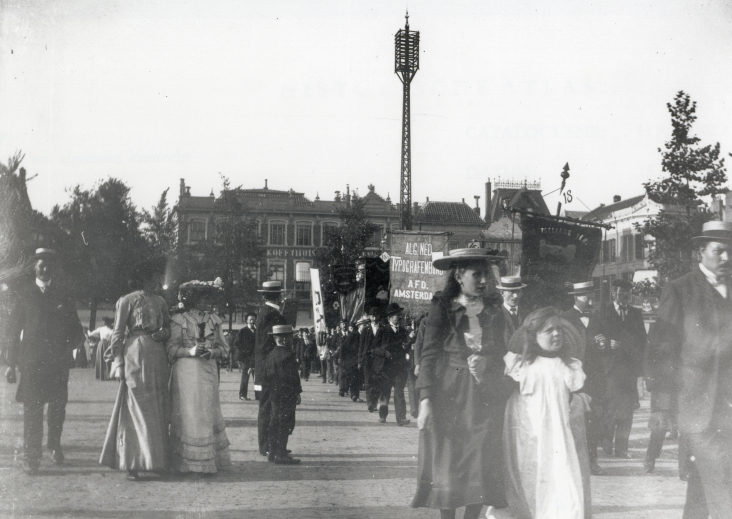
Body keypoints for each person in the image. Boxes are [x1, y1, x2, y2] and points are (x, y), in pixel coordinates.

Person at [411, 248, 509, 519]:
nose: (483, 281)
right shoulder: (442, 307)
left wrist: (488, 362)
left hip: (483, 394)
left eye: (486, 275)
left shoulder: (494, 309)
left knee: (480, 459)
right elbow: (429, 353)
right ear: (458, 275)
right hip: (449, 396)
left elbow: (502, 351)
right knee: (449, 461)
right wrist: (426, 400)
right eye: (476, 275)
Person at [645, 221, 732, 518]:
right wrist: (661, 406)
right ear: (700, 252)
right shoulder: (680, 290)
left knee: (702, 486)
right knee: (723, 482)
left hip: (729, 407)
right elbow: (662, 350)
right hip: (698, 405)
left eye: (730, 252)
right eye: (719, 251)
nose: (726, 259)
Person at [5, 248, 84, 475]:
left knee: (57, 409)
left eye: (49, 264)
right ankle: (32, 457)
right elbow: (12, 331)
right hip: (31, 364)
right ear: (34, 267)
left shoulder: (63, 295)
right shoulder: (24, 294)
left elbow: (77, 329)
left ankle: (54, 445)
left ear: (53, 267)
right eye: (41, 264)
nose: (45, 268)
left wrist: (69, 347)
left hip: (57, 365)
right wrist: (11, 364)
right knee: (32, 411)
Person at [503, 307, 587, 519]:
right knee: (530, 482)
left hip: (559, 437)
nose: (557, 334)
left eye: (558, 329)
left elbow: (576, 400)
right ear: (534, 336)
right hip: (528, 437)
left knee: (563, 484)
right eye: (549, 330)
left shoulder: (569, 366)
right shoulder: (520, 366)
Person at [100, 257, 171, 481]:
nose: (158, 281)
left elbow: (168, 326)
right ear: (144, 277)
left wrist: (164, 333)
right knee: (134, 409)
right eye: (154, 277)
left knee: (156, 408)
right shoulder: (127, 301)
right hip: (134, 356)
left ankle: (155, 461)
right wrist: (118, 363)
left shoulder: (161, 301)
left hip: (157, 357)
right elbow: (118, 334)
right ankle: (131, 462)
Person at [166, 279, 231, 475]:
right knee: (189, 414)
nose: (208, 302)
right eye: (204, 298)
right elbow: (171, 349)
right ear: (195, 300)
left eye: (209, 298)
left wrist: (212, 353)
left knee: (206, 413)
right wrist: (191, 351)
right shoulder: (179, 320)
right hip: (186, 374)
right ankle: (185, 462)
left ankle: (206, 461)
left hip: (207, 373)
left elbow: (224, 350)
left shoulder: (214, 320)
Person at [562, 281, 608, 476]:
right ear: (575, 298)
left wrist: (602, 344)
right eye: (585, 296)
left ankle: (592, 460)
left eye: (591, 295)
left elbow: (603, 343)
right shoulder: (566, 318)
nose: (589, 299)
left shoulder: (597, 317)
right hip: (574, 377)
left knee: (594, 418)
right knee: (574, 418)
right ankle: (573, 462)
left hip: (595, 376)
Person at [598, 279, 646, 459]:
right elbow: (595, 333)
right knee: (611, 408)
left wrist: (640, 366)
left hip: (629, 369)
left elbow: (642, 339)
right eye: (620, 294)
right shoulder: (604, 311)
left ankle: (622, 448)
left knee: (627, 410)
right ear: (613, 294)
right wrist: (607, 344)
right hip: (610, 369)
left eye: (627, 294)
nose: (624, 297)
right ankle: (606, 439)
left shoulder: (636, 313)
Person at [254, 280, 286, 457]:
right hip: (269, 369)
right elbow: (267, 345)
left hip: (265, 368)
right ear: (278, 296)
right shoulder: (270, 314)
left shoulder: (267, 312)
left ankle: (270, 443)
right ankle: (266, 444)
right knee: (267, 407)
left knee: (268, 407)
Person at [262, 325, 302, 465]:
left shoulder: (270, 355)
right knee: (285, 423)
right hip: (287, 394)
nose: (292, 340)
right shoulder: (288, 355)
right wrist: (297, 392)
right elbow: (292, 377)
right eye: (291, 337)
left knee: (274, 422)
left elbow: (265, 377)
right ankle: (281, 454)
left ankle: (273, 452)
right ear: (284, 339)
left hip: (274, 394)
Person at [373, 303, 411, 425]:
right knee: (385, 392)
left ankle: (401, 418)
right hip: (386, 367)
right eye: (395, 315)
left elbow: (405, 347)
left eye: (399, 315)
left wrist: (408, 344)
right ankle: (383, 415)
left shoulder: (403, 331)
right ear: (389, 317)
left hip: (399, 367)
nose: (398, 317)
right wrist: (385, 353)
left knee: (399, 392)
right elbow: (374, 348)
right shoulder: (382, 330)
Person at [497, 275, 527, 346]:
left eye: (518, 291)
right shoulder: (497, 315)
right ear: (502, 293)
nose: (515, 296)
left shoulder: (526, 314)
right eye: (511, 292)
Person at [234, 312, 256, 401]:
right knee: (245, 376)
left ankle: (258, 395)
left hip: (254, 357)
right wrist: (244, 350)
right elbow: (236, 343)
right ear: (246, 321)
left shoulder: (257, 331)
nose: (252, 321)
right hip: (245, 358)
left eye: (253, 319)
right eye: (250, 319)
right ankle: (242, 395)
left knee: (256, 377)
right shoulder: (242, 331)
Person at [339, 322, 363, 402]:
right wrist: (343, 359)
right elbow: (344, 347)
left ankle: (354, 394)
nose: (365, 327)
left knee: (355, 378)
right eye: (364, 325)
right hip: (352, 360)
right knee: (354, 378)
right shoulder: (354, 335)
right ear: (359, 327)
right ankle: (354, 395)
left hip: (357, 360)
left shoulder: (360, 335)